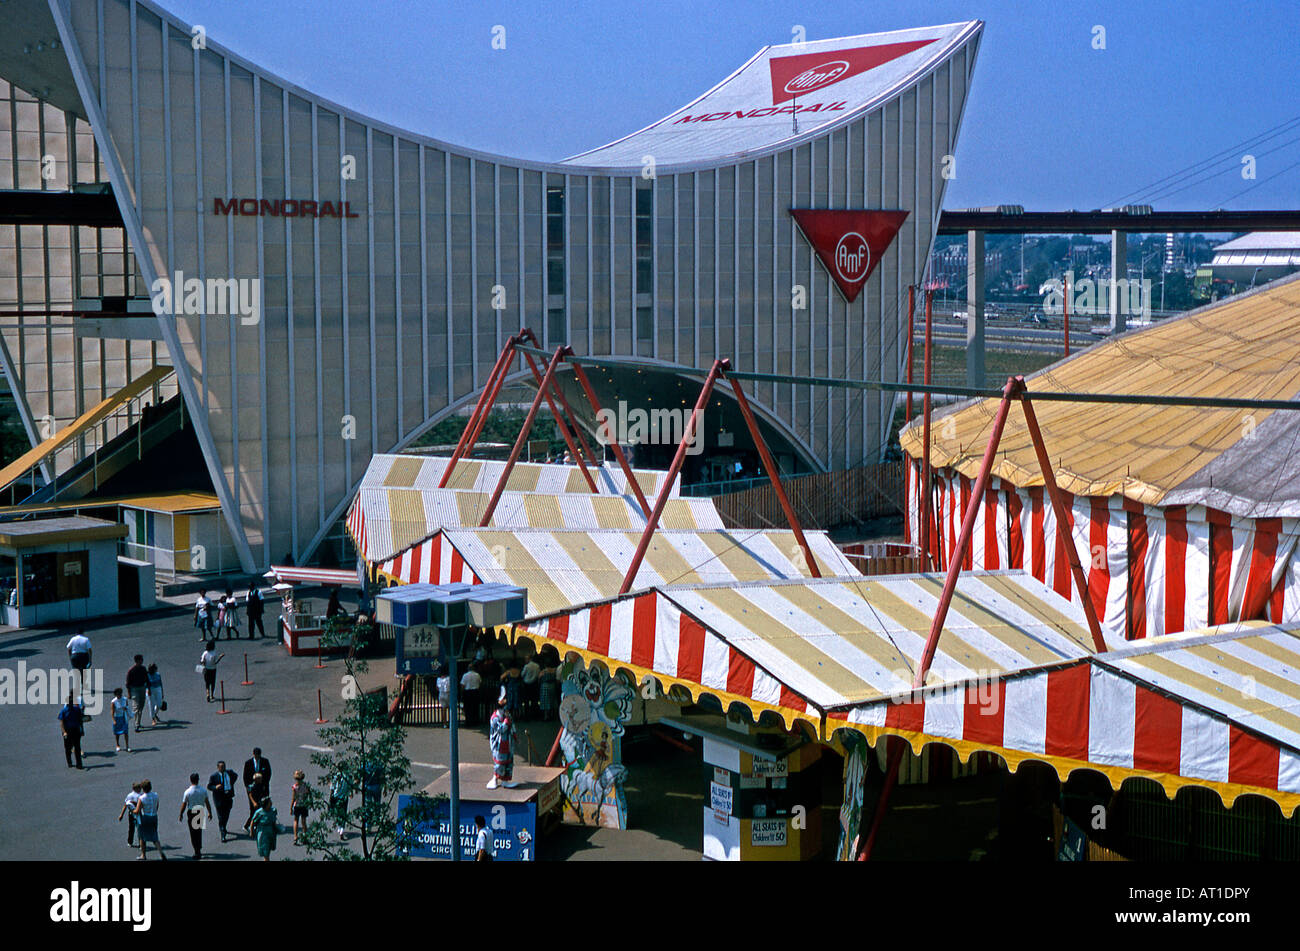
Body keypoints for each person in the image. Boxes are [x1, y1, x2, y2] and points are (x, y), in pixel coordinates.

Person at [487, 688, 518, 790]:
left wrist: (514, 734)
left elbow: (512, 723)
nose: (505, 701)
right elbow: (501, 729)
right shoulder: (494, 718)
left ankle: (505, 780)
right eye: (503, 699)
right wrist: (506, 722)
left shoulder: (506, 713)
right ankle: (495, 779)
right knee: (499, 762)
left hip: (508, 742)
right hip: (499, 744)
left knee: (508, 761)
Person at [179, 772, 213, 859]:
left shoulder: (188, 792)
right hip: (200, 811)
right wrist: (210, 812)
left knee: (193, 833)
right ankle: (199, 848)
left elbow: (184, 804)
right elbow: (207, 802)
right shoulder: (203, 790)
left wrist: (181, 814)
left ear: (191, 780)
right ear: (198, 780)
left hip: (192, 812)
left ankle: (197, 851)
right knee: (199, 831)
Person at [133, 780, 166, 861]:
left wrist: (131, 809)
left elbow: (137, 810)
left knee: (142, 837)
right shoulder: (155, 795)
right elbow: (157, 806)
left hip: (145, 817)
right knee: (154, 836)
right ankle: (161, 852)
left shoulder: (142, 798)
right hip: (154, 816)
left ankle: (143, 855)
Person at [207, 760, 239, 842]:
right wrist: (215, 787)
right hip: (219, 798)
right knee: (221, 816)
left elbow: (236, 776)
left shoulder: (229, 773)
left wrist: (231, 783)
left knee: (227, 814)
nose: (223, 768)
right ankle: (223, 833)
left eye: (224, 766)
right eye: (221, 767)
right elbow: (209, 786)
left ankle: (223, 826)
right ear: (218, 768)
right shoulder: (214, 776)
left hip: (228, 796)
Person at [242, 748, 272, 830]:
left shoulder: (265, 762)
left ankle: (259, 823)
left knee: (263, 806)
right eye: (256, 755)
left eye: (259, 755)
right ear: (253, 754)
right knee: (253, 808)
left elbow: (268, 774)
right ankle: (248, 825)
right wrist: (248, 787)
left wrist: (264, 784)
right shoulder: (248, 763)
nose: (257, 757)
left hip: (263, 788)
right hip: (253, 789)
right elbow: (245, 776)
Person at [57, 692, 85, 769]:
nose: (71, 704)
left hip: (76, 730)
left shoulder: (77, 710)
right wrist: (64, 732)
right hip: (67, 731)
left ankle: (79, 764)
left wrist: (82, 730)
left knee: (77, 747)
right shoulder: (63, 711)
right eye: (69, 703)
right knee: (68, 748)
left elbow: (80, 721)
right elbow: (61, 723)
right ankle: (69, 762)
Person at [250, 795, 279, 861]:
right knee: (266, 851)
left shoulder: (273, 810)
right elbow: (252, 822)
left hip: (271, 832)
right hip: (263, 833)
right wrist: (252, 832)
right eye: (269, 802)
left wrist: (276, 828)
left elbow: (274, 820)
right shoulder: (259, 812)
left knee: (269, 849)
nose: (271, 803)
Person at [125, 654, 149, 731]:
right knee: (136, 707)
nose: (142, 661)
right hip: (134, 689)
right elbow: (127, 683)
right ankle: (136, 724)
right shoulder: (131, 670)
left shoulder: (143, 669)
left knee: (141, 707)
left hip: (142, 688)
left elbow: (147, 679)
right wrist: (129, 693)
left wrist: (148, 689)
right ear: (137, 661)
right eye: (141, 659)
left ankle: (138, 722)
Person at [118, 781, 143, 848]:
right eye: (139, 788)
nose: (140, 789)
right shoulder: (140, 796)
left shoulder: (129, 795)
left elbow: (125, 805)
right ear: (136, 788)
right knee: (139, 829)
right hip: (138, 813)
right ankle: (141, 844)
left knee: (131, 828)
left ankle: (130, 842)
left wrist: (121, 815)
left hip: (131, 814)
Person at [328, 769, 351, 840]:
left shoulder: (336, 776)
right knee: (343, 813)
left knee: (337, 812)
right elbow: (350, 785)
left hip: (336, 796)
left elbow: (332, 787)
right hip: (344, 797)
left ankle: (339, 825)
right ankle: (341, 829)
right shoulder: (348, 776)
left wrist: (330, 796)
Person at [290, 770, 310, 845]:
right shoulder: (305, 786)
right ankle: (305, 836)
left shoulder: (295, 787)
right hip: (304, 805)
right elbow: (308, 794)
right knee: (304, 822)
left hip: (297, 805)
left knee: (296, 821)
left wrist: (291, 807)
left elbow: (293, 798)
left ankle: (295, 837)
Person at [110, 687, 131, 752]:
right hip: (117, 717)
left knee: (126, 732)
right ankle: (117, 745)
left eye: (120, 694)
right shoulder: (113, 702)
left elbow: (127, 707)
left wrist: (126, 709)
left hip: (123, 717)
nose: (120, 695)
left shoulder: (125, 699)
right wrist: (113, 720)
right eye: (118, 694)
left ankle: (127, 746)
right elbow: (112, 711)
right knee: (117, 733)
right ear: (116, 695)